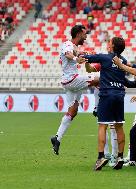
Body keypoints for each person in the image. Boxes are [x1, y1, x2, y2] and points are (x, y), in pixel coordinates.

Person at [50, 25, 99, 155]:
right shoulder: (68, 44)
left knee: (73, 111)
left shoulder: (75, 47)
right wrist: (77, 58)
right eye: (84, 34)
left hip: (68, 82)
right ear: (78, 34)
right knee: (100, 78)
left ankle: (57, 138)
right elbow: (68, 54)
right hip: (72, 80)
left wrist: (85, 56)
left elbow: (77, 53)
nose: (86, 36)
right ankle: (97, 108)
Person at [83, 37, 127, 171]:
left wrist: (84, 56)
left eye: (109, 43)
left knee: (102, 126)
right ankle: (120, 157)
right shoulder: (123, 61)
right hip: (119, 95)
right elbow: (90, 69)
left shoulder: (105, 58)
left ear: (112, 46)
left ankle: (101, 156)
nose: (108, 44)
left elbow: (86, 58)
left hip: (107, 95)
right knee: (119, 126)